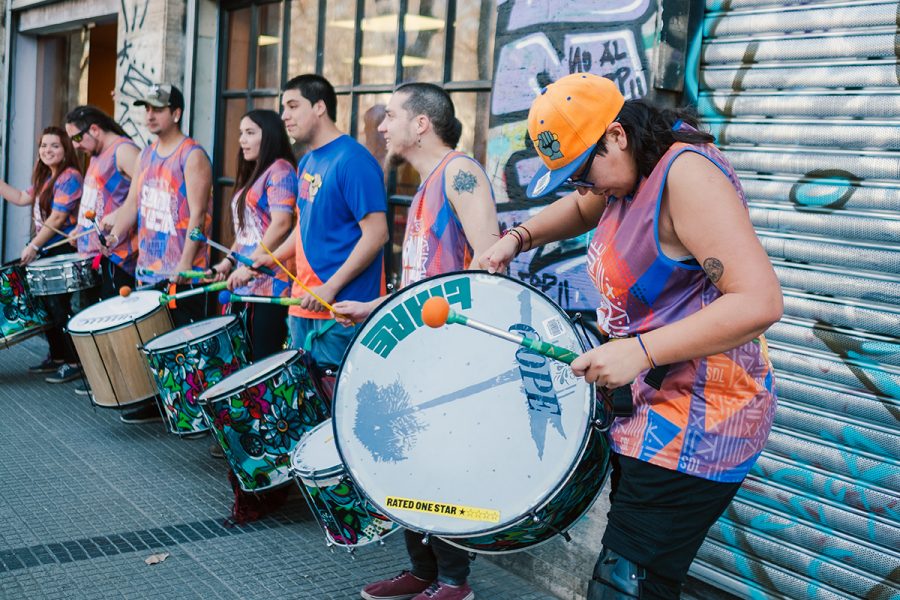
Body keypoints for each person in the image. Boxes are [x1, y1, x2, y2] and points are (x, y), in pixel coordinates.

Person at [479, 73, 782, 600]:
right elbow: (581, 208)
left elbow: (759, 302)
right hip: (648, 411)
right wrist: (517, 238)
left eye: (584, 171)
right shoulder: (626, 172)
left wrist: (639, 351)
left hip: (700, 420)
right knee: (642, 579)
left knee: (626, 586)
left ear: (616, 135)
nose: (585, 187)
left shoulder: (684, 176)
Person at [333, 83, 498, 600]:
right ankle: (423, 570)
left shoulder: (460, 173)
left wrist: (453, 338)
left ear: (422, 123)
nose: (381, 126)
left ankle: (455, 580)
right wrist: (379, 305)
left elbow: (489, 258)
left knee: (438, 463)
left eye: (391, 115)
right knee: (406, 458)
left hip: (450, 355)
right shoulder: (427, 183)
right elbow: (426, 278)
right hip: (419, 351)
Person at [256, 74, 387, 370]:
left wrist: (330, 287)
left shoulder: (353, 160)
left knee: (335, 410)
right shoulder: (307, 162)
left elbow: (376, 235)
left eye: (292, 106)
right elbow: (304, 227)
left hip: (341, 314)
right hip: (303, 307)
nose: (284, 116)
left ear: (319, 107)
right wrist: (273, 259)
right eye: (283, 108)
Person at [105, 83, 213, 424]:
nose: (149, 115)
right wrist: (116, 230)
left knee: (184, 343)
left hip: (181, 272)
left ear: (176, 113)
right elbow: (133, 202)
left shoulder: (191, 154)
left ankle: (194, 413)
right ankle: (160, 404)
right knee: (153, 341)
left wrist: (184, 264)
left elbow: (199, 215)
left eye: (157, 109)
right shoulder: (147, 154)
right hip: (148, 267)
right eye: (146, 108)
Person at [208, 109, 296, 360]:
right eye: (240, 134)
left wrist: (250, 266)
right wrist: (229, 261)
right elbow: (247, 232)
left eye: (250, 133)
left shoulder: (281, 170)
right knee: (240, 363)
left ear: (268, 136)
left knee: (261, 366)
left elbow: (281, 224)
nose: (242, 140)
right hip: (245, 284)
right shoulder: (257, 172)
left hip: (270, 287)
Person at [0, 126, 84, 384]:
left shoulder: (70, 176)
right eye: (44, 146)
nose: (48, 150)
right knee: (46, 306)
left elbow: (58, 217)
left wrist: (34, 246)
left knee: (60, 307)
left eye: (55, 145)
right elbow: (21, 197)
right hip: (46, 249)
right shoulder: (47, 177)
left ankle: (73, 362)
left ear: (66, 149)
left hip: (61, 249)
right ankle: (58, 356)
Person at [65, 105, 140, 300]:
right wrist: (81, 229)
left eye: (77, 138)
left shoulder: (124, 151)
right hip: (98, 257)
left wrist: (118, 214)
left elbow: (146, 193)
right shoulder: (97, 154)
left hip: (119, 258)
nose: (75, 145)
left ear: (95, 130)